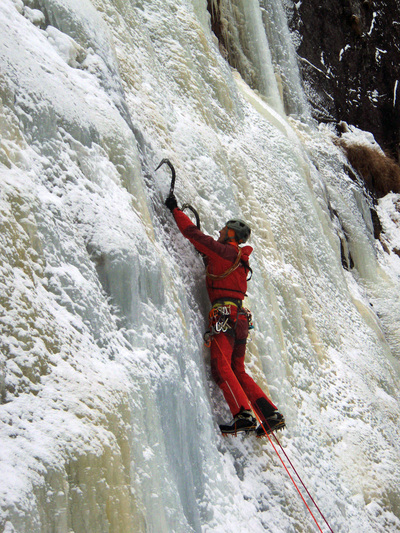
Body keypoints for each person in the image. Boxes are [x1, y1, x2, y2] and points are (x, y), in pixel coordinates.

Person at [165, 194, 285, 437]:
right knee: (237, 369)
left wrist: (175, 210)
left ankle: (243, 415)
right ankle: (270, 414)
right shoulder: (239, 260)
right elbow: (216, 265)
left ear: (231, 234)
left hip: (225, 317)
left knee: (222, 367)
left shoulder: (224, 252)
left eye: (223, 229)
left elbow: (194, 235)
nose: (219, 231)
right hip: (239, 319)